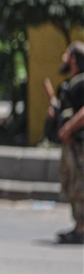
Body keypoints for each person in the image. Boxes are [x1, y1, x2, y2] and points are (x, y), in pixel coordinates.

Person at [48, 41, 84, 244]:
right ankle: (79, 226)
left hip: (80, 145)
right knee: (72, 184)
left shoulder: (81, 83)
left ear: (73, 59)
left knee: (80, 185)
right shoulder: (70, 84)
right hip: (72, 145)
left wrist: (69, 128)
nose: (62, 58)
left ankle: (82, 229)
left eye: (65, 55)